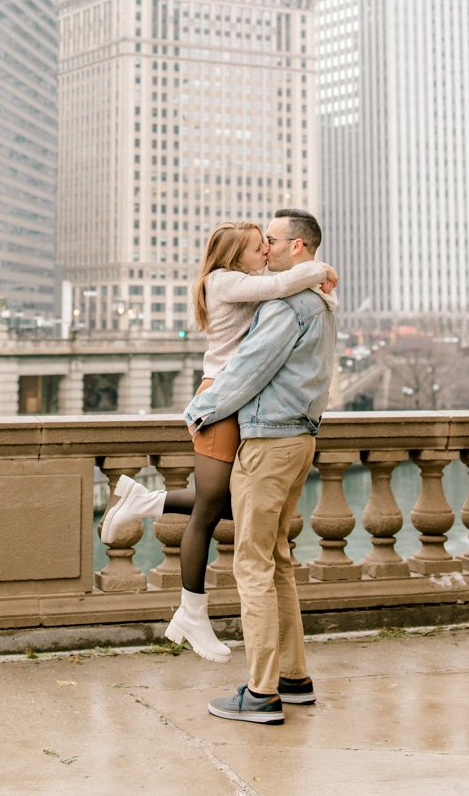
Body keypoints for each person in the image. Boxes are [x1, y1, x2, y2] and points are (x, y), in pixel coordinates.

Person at [100, 219, 338, 663]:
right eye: (257, 246)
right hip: (220, 398)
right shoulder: (224, 281)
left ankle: (145, 503)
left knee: (232, 503)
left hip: (232, 399)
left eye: (268, 244)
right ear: (234, 256)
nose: (266, 252)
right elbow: (291, 281)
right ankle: (192, 612)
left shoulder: (250, 282)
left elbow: (293, 289)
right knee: (212, 510)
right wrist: (321, 269)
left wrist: (319, 278)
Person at [183, 208, 337, 725]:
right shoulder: (318, 301)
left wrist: (200, 409)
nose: (265, 248)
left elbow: (248, 371)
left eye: (271, 240)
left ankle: (261, 691)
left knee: (252, 564)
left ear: (298, 247)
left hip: (270, 442)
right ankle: (293, 678)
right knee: (278, 558)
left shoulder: (287, 304)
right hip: (300, 439)